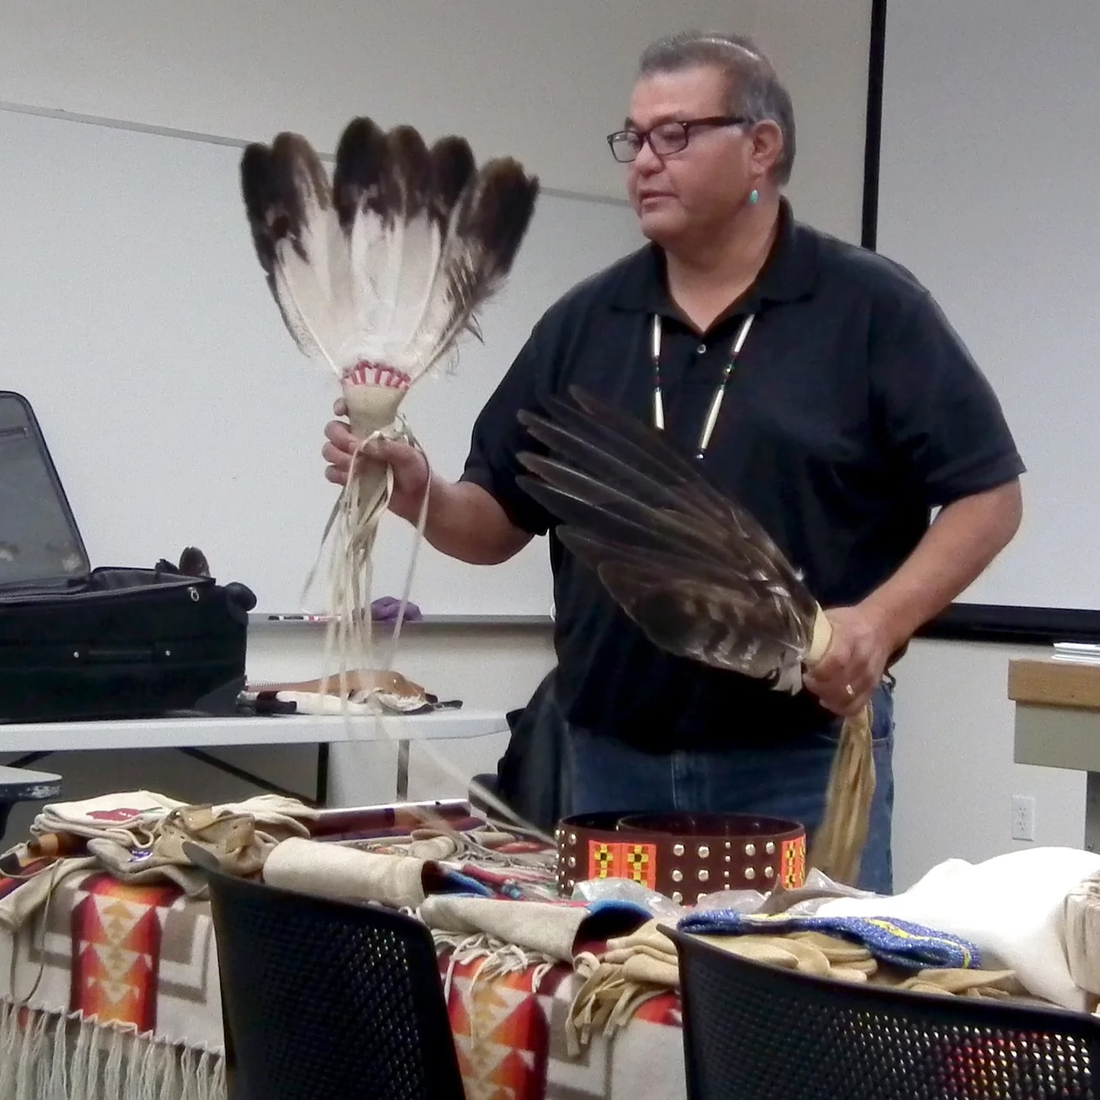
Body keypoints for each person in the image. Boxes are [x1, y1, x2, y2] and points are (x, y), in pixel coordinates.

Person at [322, 31, 1024, 894]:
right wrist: (419, 493)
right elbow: (495, 521)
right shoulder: (585, 323)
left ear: (761, 146)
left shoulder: (870, 309)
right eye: (634, 137)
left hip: (798, 756)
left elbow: (989, 497)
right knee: (623, 1015)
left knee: (797, 1015)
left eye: (676, 135)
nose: (644, 162)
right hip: (611, 759)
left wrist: (878, 622)